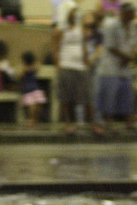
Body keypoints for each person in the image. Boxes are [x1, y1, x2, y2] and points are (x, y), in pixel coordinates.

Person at [53, 5, 102, 136]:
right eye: (72, 13)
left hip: (80, 66)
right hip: (66, 65)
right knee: (66, 98)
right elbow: (55, 49)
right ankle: (68, 124)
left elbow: (84, 46)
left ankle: (93, 124)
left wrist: (86, 61)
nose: (74, 15)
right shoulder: (60, 30)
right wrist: (58, 66)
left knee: (86, 97)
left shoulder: (80, 28)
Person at [95, 2, 137, 133]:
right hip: (110, 66)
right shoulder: (112, 25)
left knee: (127, 95)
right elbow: (110, 46)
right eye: (132, 13)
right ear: (124, 13)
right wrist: (125, 56)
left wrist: (130, 56)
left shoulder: (132, 26)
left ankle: (129, 122)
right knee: (110, 97)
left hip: (124, 66)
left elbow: (132, 43)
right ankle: (109, 123)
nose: (134, 15)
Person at [19, 51, 47, 126]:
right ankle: (36, 119)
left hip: (27, 88)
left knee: (31, 105)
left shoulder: (24, 68)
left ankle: (32, 119)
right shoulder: (34, 68)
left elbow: (20, 76)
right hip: (35, 87)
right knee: (38, 104)